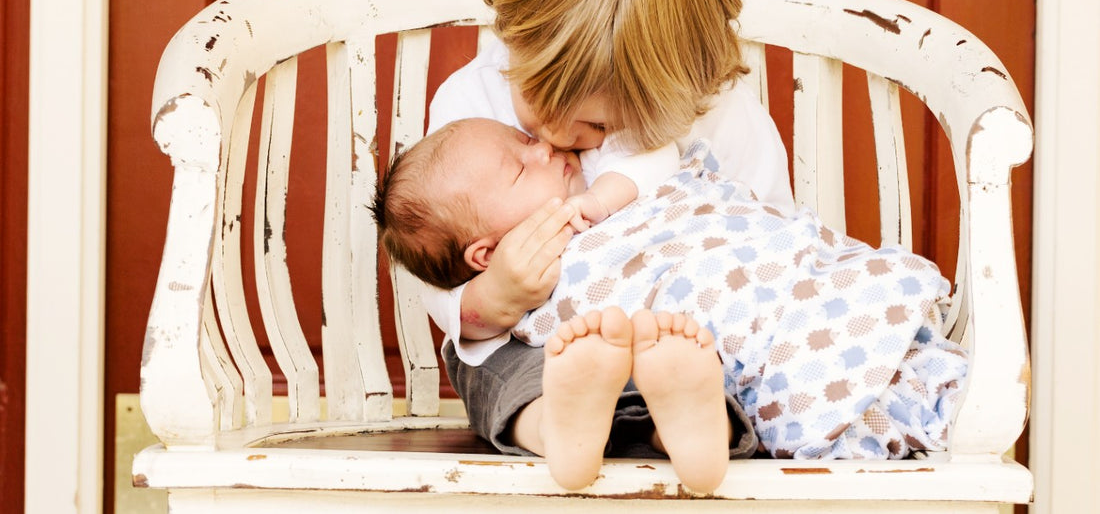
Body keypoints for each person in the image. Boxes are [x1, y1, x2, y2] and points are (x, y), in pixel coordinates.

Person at [400, 0, 795, 492]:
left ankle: (687, 426)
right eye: (535, 100)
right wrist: (494, 297)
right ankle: (557, 425)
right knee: (492, 366)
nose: (554, 135)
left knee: (716, 369)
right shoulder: (471, 100)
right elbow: (440, 266)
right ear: (515, 31)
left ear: (675, 89)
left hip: (688, 335)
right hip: (552, 347)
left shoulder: (717, 111)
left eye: (594, 123)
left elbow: (773, 234)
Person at [375, 118, 968, 469]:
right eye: (519, 168)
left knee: (683, 341)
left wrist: (603, 199)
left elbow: (673, 174)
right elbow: (465, 326)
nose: (543, 148)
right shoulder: (474, 120)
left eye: (524, 138)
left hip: (786, 294)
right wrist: (501, 289)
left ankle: (686, 418)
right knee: (570, 354)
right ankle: (666, 419)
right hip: (670, 345)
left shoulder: (609, 165)